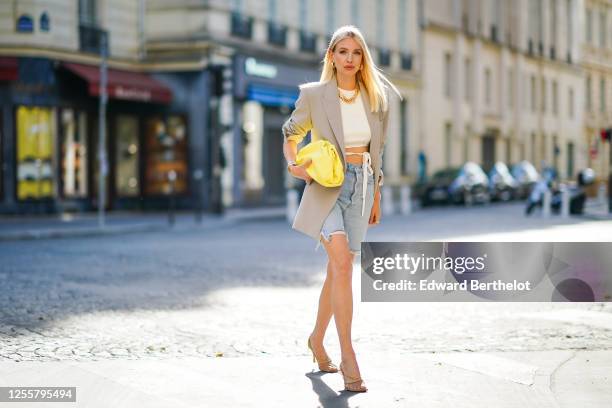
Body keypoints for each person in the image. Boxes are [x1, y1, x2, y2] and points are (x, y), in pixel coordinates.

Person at [281, 25, 401, 392]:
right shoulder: (315, 95)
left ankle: (317, 340)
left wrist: (376, 196)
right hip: (325, 185)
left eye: (356, 52)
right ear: (331, 56)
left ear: (363, 58)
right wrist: (295, 167)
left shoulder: (376, 99)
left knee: (339, 269)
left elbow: (376, 154)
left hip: (362, 185)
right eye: (343, 51)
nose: (350, 58)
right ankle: (348, 355)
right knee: (342, 264)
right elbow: (290, 133)